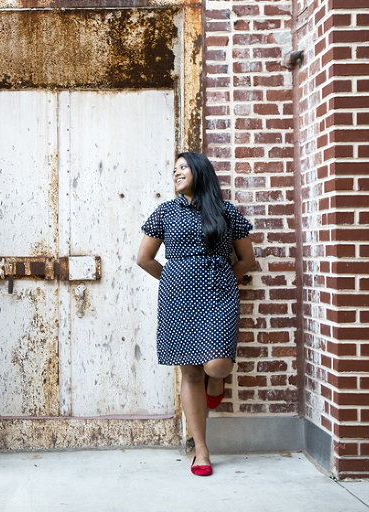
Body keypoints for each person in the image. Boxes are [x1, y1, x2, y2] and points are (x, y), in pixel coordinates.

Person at [136, 152, 255, 477]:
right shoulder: (165, 212)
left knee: (217, 365)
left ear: (200, 172)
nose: (176, 173)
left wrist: (221, 276)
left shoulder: (226, 211)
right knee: (190, 373)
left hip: (218, 293)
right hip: (179, 297)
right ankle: (201, 449)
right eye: (173, 169)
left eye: (183, 168)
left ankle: (216, 385)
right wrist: (176, 278)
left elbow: (247, 259)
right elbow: (144, 259)